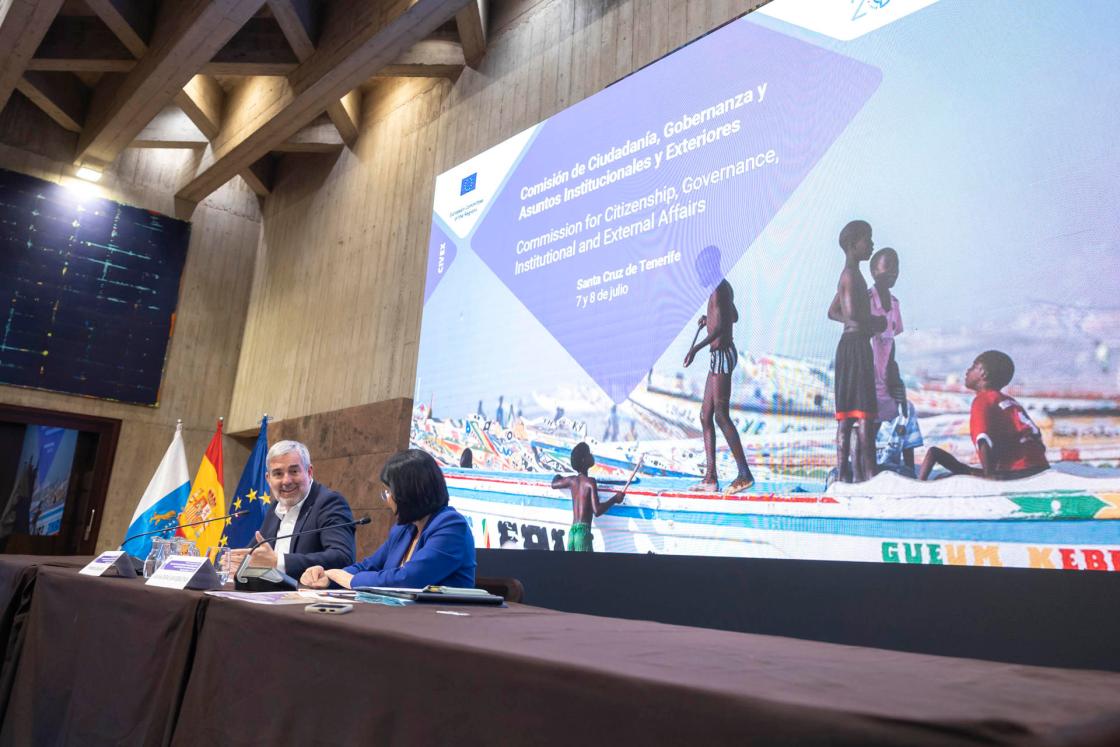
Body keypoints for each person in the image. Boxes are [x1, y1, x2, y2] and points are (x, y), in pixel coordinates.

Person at [301, 449, 476, 589]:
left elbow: (408, 579)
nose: (388, 499)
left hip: (442, 626)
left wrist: (349, 580)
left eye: (389, 491)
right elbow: (369, 566)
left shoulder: (451, 526)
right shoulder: (404, 529)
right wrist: (328, 576)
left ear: (408, 493)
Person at [228, 440, 356, 583]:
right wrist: (235, 562)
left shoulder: (329, 502)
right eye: (278, 474)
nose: (286, 481)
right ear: (268, 479)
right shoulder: (275, 507)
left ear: (309, 472)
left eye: (294, 471)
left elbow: (342, 556)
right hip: (272, 595)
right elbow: (256, 554)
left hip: (309, 598)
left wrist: (279, 561)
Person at [682, 245, 755, 494]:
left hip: (721, 356)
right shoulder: (722, 289)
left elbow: (721, 330)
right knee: (706, 415)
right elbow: (731, 317)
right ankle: (710, 477)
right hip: (718, 358)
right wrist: (709, 318)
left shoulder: (719, 289)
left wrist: (695, 349)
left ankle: (744, 474)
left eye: (700, 270)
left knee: (720, 415)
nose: (699, 276)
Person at [918, 350, 1050, 480]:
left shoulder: (982, 400)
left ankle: (918, 486)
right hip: (1038, 467)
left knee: (941, 472)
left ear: (983, 373)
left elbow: (983, 439)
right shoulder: (1009, 401)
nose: (967, 371)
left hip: (1019, 471)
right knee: (948, 462)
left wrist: (989, 477)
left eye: (973, 367)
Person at [827, 220, 886, 482]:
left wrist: (861, 322)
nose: (871, 244)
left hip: (853, 346)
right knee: (862, 413)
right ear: (853, 245)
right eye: (867, 239)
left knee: (851, 414)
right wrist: (875, 323)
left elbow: (833, 312)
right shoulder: (851, 276)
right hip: (855, 347)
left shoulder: (851, 274)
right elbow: (851, 315)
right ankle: (867, 472)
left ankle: (849, 473)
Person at [867, 247, 922, 475]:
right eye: (886, 267)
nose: (892, 273)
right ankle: (868, 469)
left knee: (904, 412)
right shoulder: (867, 300)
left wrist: (895, 378)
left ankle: (908, 469)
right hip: (868, 377)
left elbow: (891, 343)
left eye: (896, 268)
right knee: (870, 424)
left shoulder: (895, 304)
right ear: (873, 270)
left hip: (885, 376)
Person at [551, 442, 627, 552]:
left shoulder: (571, 481)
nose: (591, 455)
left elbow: (554, 484)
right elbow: (597, 511)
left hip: (572, 532)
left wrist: (559, 476)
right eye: (588, 453)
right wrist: (615, 499)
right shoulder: (590, 482)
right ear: (583, 460)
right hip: (583, 533)